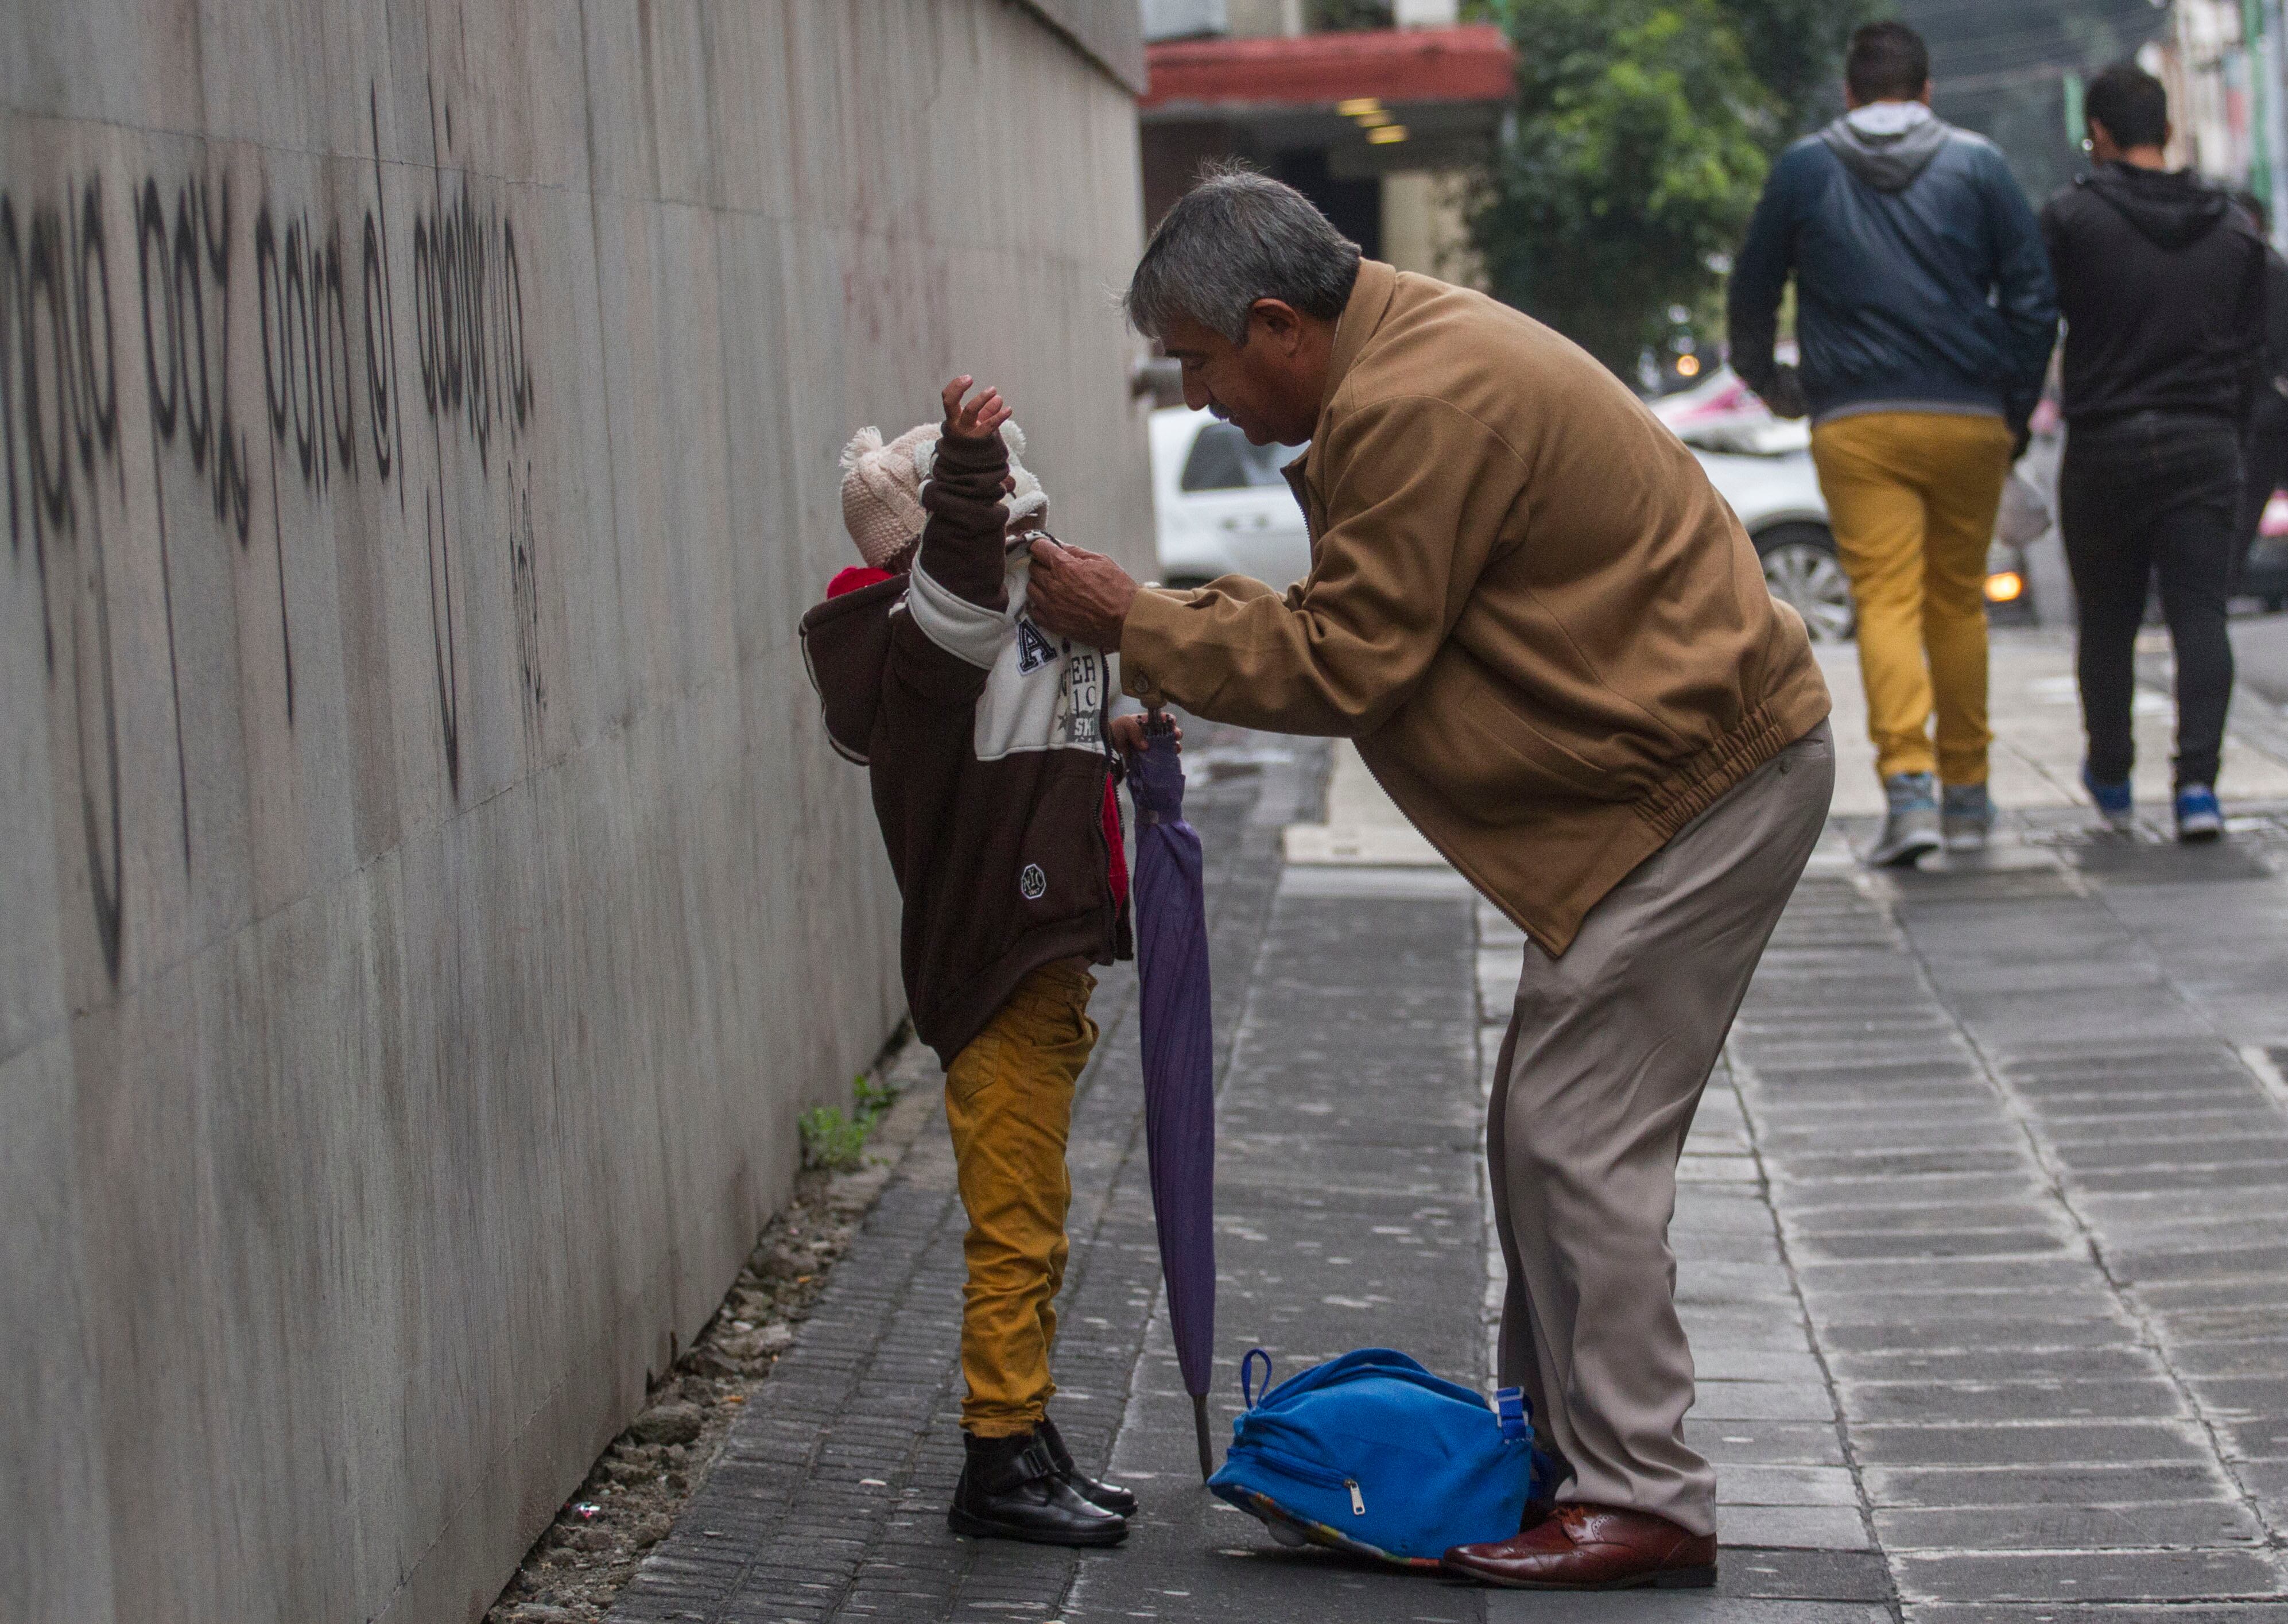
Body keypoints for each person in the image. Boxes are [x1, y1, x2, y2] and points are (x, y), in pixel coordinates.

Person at [1023, 167, 1835, 1591]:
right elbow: (1353, 619)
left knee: (1574, 1139)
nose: (1199, 399)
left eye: (1200, 362)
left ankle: (1642, 1493)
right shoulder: (1404, 363)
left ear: (1278, 326)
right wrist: (1159, 628)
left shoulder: (1415, 400)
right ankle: (1572, 1458)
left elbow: (1348, 662)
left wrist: (1136, 621)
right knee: (1544, 1131)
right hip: (1668, 783)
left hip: (1700, 786)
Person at [800, 378, 1165, 1545]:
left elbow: (1043, 715)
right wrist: (964, 471)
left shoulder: (989, 636)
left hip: (1041, 963)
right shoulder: (925, 652)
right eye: (999, 530)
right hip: (996, 967)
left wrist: (1117, 733)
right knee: (1015, 1226)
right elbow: (956, 597)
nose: (1021, 553)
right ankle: (998, 1456)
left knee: (1038, 1216)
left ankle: (1029, 1432)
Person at [1728, 21, 2057, 865]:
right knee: (1957, 603)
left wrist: (1775, 384)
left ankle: (1908, 794)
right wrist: (2013, 409)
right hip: (1967, 417)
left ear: (1848, 93)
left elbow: (1752, 290)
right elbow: (2032, 298)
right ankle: (1968, 795)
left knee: (1884, 602)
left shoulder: (1804, 170)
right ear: (1927, 91)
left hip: (1857, 422)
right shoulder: (1980, 166)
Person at [2042, 64, 2267, 842]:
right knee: (2200, 613)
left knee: (2106, 619)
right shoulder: (2233, 227)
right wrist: (2231, 424)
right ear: (2168, 131)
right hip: (2205, 439)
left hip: (2104, 442)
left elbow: (2032, 319)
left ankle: (2111, 776)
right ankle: (2197, 788)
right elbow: (2258, 343)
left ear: (2097, 134)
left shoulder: (2071, 219)